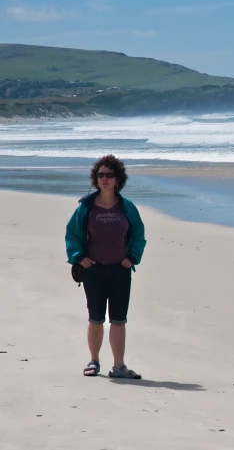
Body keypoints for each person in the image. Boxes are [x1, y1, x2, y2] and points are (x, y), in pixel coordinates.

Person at [65, 155, 146, 379]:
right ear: (95, 179)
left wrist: (133, 258)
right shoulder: (86, 207)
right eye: (100, 174)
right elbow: (72, 234)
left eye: (109, 174)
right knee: (96, 318)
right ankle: (94, 361)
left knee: (119, 319)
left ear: (118, 179)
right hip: (94, 271)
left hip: (120, 270)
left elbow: (139, 235)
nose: (104, 178)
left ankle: (119, 366)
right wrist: (78, 257)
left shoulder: (127, 207)